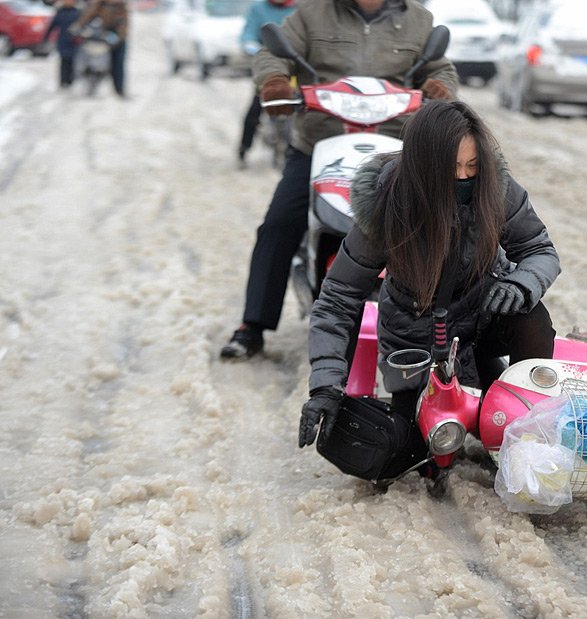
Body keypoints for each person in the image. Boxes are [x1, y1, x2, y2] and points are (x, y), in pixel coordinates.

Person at [297, 100, 561, 459]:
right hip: (416, 342)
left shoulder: (496, 188)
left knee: (533, 319)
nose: (465, 178)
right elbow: (339, 296)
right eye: (452, 168)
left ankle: (523, 425)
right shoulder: (386, 205)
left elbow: (539, 249)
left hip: (481, 322)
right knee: (413, 453)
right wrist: (325, 387)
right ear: (423, 167)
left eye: (473, 166)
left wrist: (520, 284)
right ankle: (448, 415)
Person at [220, 0, 459, 359]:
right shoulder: (312, 12)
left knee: (431, 228)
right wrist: (274, 81)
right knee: (279, 223)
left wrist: (440, 85)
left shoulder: (418, 19)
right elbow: (273, 54)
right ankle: (252, 325)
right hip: (318, 145)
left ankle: (438, 327)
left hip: (394, 149)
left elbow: (441, 67)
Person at [237, 0, 294, 167]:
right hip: (267, 67)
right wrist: (250, 46)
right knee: (255, 108)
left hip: (295, 67)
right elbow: (248, 32)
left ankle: (295, 151)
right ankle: (244, 148)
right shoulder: (258, 8)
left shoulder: (301, 8)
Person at [70, 0, 129, 97]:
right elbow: (86, 17)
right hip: (99, 36)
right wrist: (77, 28)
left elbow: (123, 26)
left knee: (118, 64)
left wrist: (118, 37)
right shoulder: (99, 5)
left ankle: (119, 90)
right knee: (82, 53)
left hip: (115, 38)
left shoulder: (122, 8)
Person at [42, 0, 83, 89]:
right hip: (63, 40)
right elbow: (52, 25)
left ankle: (70, 80)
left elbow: (82, 25)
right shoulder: (60, 12)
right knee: (64, 61)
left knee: (73, 61)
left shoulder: (78, 12)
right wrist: (46, 37)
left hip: (74, 41)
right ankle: (63, 81)